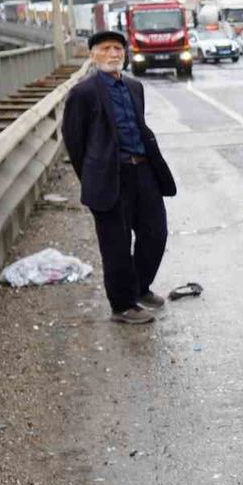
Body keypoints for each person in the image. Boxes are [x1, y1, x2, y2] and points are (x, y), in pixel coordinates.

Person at [61, 30, 177, 324]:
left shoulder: (134, 87)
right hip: (110, 176)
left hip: (143, 170)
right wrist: (92, 175)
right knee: (116, 244)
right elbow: (74, 141)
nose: (113, 54)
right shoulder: (83, 93)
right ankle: (122, 305)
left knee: (155, 233)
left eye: (118, 48)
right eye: (106, 49)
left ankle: (139, 288)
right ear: (93, 55)